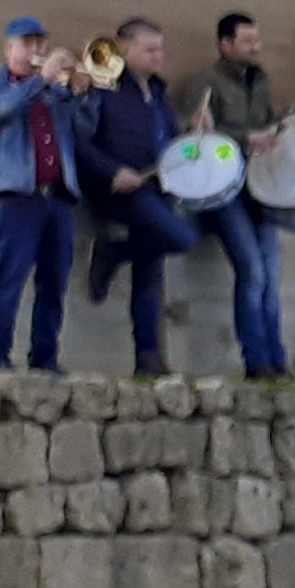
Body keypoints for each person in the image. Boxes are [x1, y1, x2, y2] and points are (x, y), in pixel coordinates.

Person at [78, 19, 196, 374]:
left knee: (150, 272)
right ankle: (111, 252)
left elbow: (171, 141)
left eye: (161, 48)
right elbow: (78, 139)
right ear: (125, 50)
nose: (159, 56)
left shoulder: (158, 94)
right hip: (121, 191)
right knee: (181, 238)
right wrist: (112, 171)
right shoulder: (105, 89)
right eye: (150, 49)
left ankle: (148, 357)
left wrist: (194, 133)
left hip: (157, 188)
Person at [0, 15, 84, 372]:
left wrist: (83, 93)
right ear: (8, 49)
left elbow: (85, 128)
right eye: (26, 43)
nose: (35, 51)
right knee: (11, 277)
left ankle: (45, 358)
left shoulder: (53, 91)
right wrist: (41, 81)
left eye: (40, 44)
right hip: (18, 195)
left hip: (58, 196)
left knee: (54, 282)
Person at [196, 11, 288, 379]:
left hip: (261, 190)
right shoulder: (204, 84)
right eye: (247, 42)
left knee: (269, 274)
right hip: (224, 192)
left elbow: (269, 124)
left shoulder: (261, 81)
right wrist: (244, 138)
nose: (256, 48)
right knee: (251, 271)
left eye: (257, 40)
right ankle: (257, 361)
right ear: (225, 45)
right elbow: (196, 137)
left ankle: (277, 359)